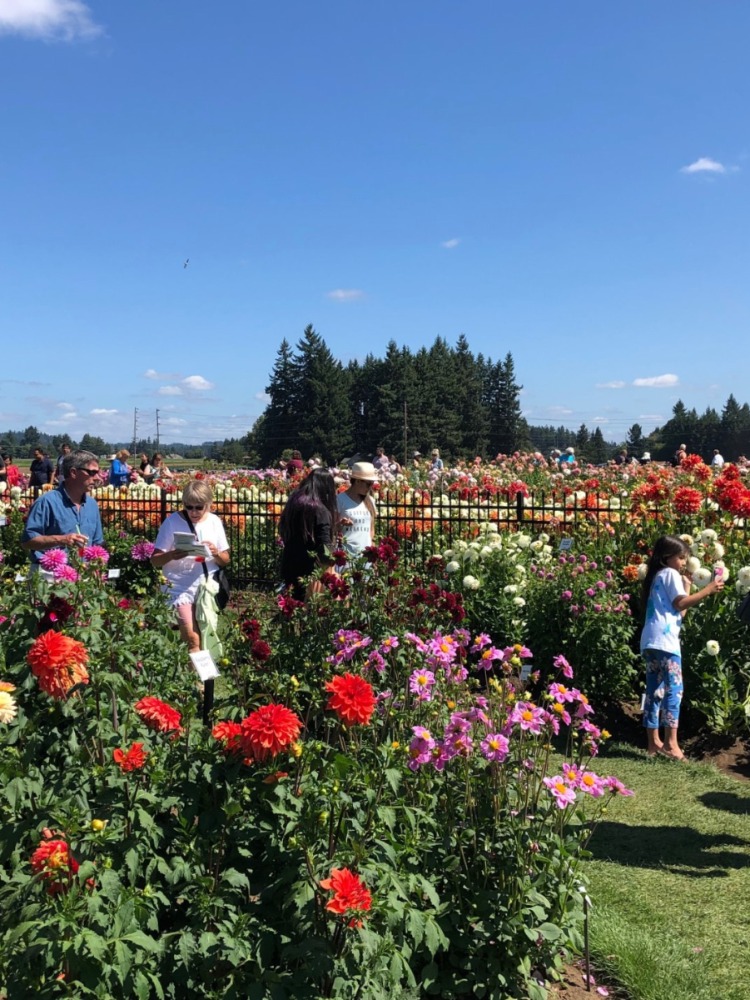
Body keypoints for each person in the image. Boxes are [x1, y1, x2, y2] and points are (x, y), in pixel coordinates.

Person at [640, 535, 724, 760]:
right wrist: (708, 590)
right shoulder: (670, 573)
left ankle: (653, 743)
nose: (684, 562)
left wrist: (686, 588)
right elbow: (680, 604)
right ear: (668, 557)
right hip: (667, 644)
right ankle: (671, 744)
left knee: (654, 691)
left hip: (651, 640)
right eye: (681, 557)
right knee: (674, 690)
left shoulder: (657, 575)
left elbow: (678, 612)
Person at [150, 481, 230, 654]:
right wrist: (171, 555)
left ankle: (200, 676)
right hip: (179, 586)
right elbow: (155, 560)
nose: (193, 512)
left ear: (209, 505)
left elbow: (225, 560)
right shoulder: (171, 522)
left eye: (199, 507)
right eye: (189, 506)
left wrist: (215, 553)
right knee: (192, 638)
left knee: (206, 635)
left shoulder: (214, 522)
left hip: (205, 586)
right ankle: (197, 681)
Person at [21, 450, 104, 566]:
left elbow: (97, 543)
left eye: (98, 473)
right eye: (92, 472)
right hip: (50, 576)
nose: (97, 478)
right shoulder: (46, 502)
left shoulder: (92, 505)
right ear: (73, 472)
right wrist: (62, 540)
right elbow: (27, 541)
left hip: (83, 575)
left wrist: (97, 566)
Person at [279, 468, 339, 599]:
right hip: (310, 569)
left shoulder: (294, 503)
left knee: (292, 605)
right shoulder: (320, 510)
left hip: (290, 563)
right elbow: (325, 546)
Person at [337, 461, 377, 557]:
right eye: (368, 484)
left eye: (372, 483)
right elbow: (331, 528)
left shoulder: (370, 501)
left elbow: (371, 530)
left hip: (365, 555)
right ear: (357, 481)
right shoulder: (340, 499)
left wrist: (373, 552)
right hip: (346, 555)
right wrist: (340, 524)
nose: (371, 487)